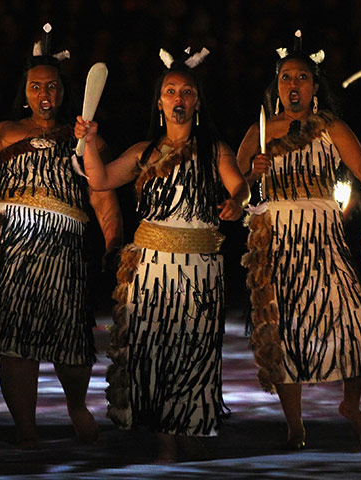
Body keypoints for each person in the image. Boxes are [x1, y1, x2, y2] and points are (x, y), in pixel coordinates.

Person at [0, 24, 123, 448]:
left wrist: (115, 245)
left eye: (52, 85)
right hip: (12, 251)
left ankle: (77, 405)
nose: (44, 93)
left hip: (65, 250)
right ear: (25, 91)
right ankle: (25, 426)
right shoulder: (5, 131)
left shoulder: (81, 137)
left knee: (71, 337)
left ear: (64, 91)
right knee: (16, 343)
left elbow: (102, 197)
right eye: (35, 86)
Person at [75, 47, 249, 463]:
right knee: (156, 351)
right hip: (151, 267)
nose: (178, 98)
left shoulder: (214, 150)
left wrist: (236, 203)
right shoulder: (143, 152)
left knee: (196, 350)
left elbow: (238, 187)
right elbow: (98, 180)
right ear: (160, 103)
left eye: (186, 91)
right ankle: (166, 438)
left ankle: (189, 425)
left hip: (200, 268)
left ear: (196, 103)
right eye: (170, 91)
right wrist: (87, 141)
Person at [237, 32, 361, 449]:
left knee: (350, 321)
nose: (293, 85)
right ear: (276, 85)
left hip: (324, 234)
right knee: (284, 327)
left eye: (302, 77)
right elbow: (233, 191)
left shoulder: (331, 127)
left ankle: (350, 405)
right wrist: (252, 175)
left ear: (315, 86)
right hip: (277, 240)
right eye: (286, 77)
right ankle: (294, 423)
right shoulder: (260, 130)